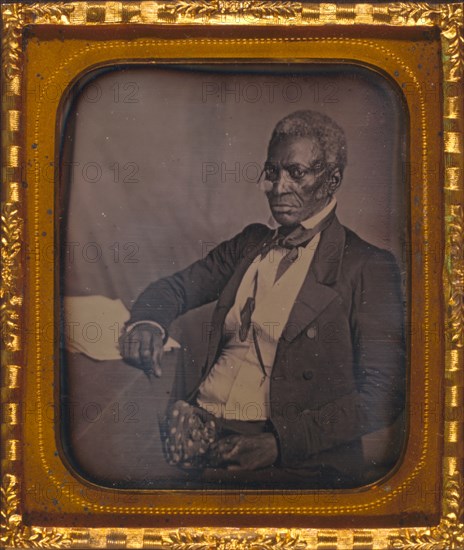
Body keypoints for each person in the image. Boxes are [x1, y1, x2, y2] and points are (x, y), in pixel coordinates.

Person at [119, 110, 405, 488]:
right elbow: (176, 288)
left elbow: (385, 392)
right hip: (198, 434)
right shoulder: (250, 243)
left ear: (332, 180)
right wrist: (147, 323)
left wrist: (278, 444)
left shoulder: (367, 265)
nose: (276, 187)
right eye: (272, 172)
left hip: (294, 460)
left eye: (296, 173)